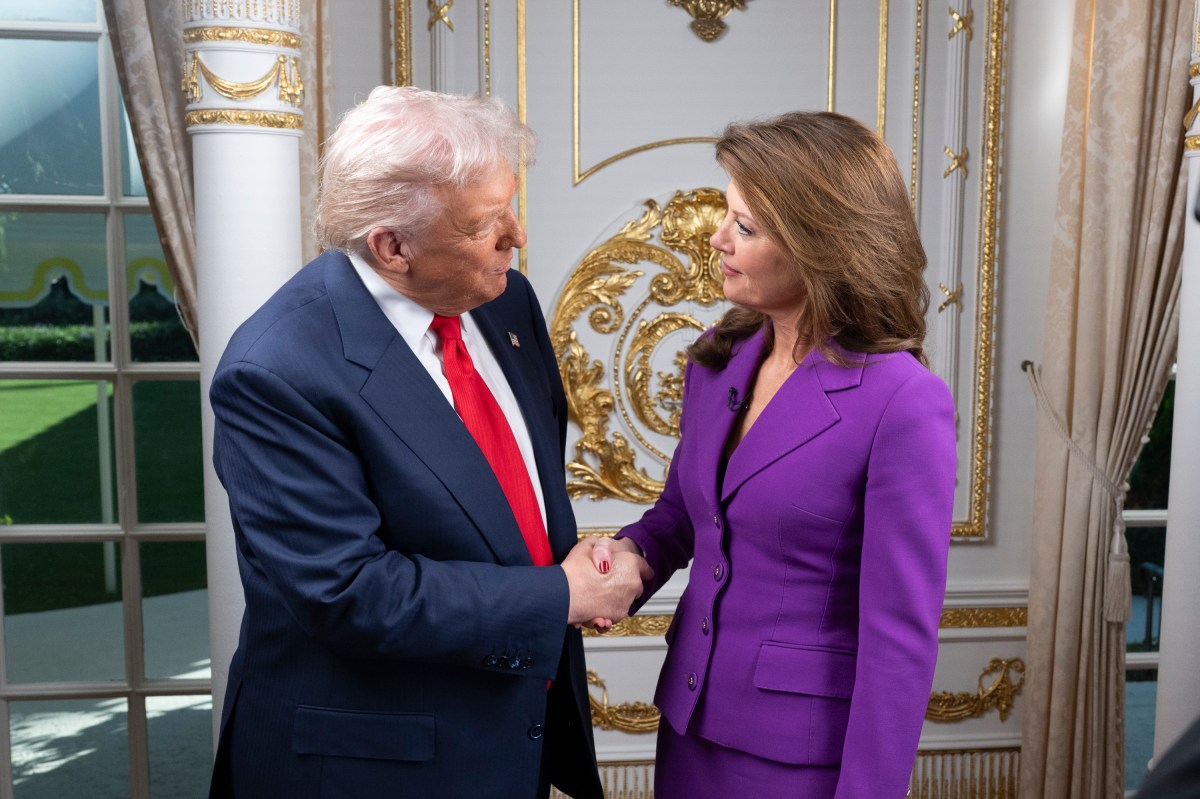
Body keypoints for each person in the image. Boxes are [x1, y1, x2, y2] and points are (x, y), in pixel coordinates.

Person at [207, 86, 650, 799]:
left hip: (507, 743)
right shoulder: (276, 368)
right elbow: (348, 590)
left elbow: (509, 500)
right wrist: (558, 592)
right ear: (393, 246)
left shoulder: (506, 300)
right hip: (370, 767)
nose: (518, 233)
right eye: (487, 221)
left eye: (511, 202)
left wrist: (567, 556)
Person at [592, 111, 957, 798]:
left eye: (746, 227)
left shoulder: (904, 401)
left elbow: (898, 640)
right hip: (688, 730)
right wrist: (623, 562)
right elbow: (683, 514)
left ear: (822, 246)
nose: (716, 237)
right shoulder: (718, 358)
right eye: (726, 214)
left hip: (801, 762)